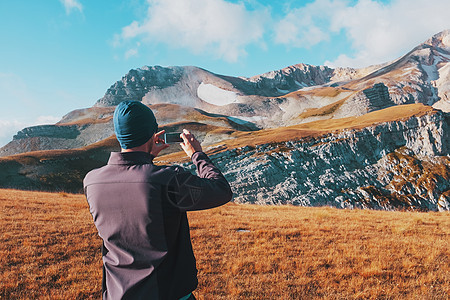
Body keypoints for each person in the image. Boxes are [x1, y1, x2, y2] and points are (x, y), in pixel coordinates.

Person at [83, 100, 232, 300]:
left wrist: (146, 157)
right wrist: (197, 154)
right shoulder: (167, 179)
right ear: (153, 136)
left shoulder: (92, 181)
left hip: (116, 293)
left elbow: (135, 182)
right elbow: (220, 190)